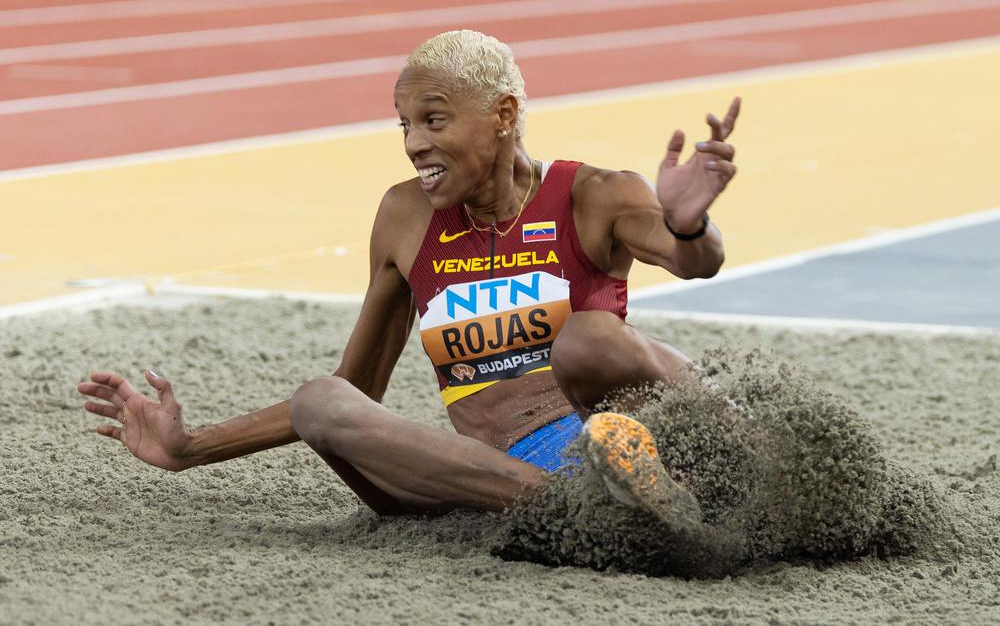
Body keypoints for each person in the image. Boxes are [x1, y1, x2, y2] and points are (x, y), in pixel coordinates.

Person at [79, 30, 739, 528]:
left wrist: (686, 224)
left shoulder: (593, 193)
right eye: (404, 123)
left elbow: (693, 261)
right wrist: (191, 446)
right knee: (320, 402)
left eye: (434, 119)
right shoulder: (403, 217)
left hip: (622, 433)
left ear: (504, 115)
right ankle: (581, 502)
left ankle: (732, 459)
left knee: (588, 340)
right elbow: (357, 388)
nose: (413, 143)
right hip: (487, 478)